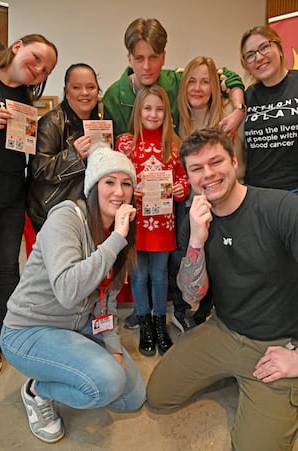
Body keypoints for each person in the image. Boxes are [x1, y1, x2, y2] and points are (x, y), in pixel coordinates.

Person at [146, 128, 298, 451]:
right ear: (188, 177)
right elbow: (191, 296)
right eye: (197, 169)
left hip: (279, 342)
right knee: (158, 395)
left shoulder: (280, 208)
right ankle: (238, 373)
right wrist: (197, 241)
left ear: (234, 161)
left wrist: (297, 359)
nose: (208, 174)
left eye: (216, 162)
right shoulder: (196, 220)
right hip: (225, 329)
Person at [104, 17, 246, 329]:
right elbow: (117, 159)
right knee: (146, 267)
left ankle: (179, 312)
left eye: (153, 57)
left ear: (164, 57)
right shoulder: (114, 96)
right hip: (141, 210)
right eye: (139, 58)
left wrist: (238, 108)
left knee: (179, 257)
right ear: (128, 59)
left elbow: (228, 75)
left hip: (175, 201)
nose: (146, 66)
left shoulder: (175, 79)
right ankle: (150, 315)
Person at [0, 145, 146, 443]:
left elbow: (106, 300)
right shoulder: (67, 217)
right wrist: (115, 240)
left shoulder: (119, 232)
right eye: (109, 182)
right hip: (28, 331)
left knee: (131, 397)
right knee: (107, 382)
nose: (119, 191)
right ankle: (37, 391)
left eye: (126, 183)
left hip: (75, 326)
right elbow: (68, 291)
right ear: (93, 186)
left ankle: (72, 367)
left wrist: (114, 348)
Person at [170, 55, 246, 333]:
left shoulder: (229, 115)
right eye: (192, 81)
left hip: (223, 205)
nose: (198, 88)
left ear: (216, 85)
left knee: (218, 261)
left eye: (205, 81)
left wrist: (238, 105)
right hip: (187, 204)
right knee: (184, 257)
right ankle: (182, 311)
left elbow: (237, 163)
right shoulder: (177, 117)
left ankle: (207, 313)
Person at [116, 84, 190, 357]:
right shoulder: (125, 143)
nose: (153, 114)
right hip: (136, 222)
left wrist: (182, 188)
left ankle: (161, 322)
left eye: (159, 109)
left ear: (167, 113)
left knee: (159, 275)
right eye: (148, 108)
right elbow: (117, 178)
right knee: (139, 274)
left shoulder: (173, 144)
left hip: (163, 223)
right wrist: (128, 189)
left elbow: (183, 177)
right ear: (138, 110)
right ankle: (144, 321)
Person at [0, 33, 57, 373]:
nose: (37, 70)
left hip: (10, 191)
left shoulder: (23, 97)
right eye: (36, 59)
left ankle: (12, 333)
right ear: (17, 45)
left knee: (7, 267)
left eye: (44, 70)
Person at [27, 63, 102, 232]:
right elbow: (39, 169)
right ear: (66, 90)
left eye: (91, 87)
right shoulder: (51, 123)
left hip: (88, 212)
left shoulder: (101, 121)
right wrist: (74, 156)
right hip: (52, 212)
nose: (84, 93)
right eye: (76, 87)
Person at [241, 25, 298, 192]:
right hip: (256, 192)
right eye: (250, 55)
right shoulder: (248, 95)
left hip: (293, 190)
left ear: (279, 49)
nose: (259, 58)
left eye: (264, 47)